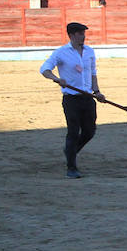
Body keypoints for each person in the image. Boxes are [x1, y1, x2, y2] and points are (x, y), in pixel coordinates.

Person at [39, 22, 106, 178]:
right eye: (80, 33)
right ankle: (71, 167)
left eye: (84, 33)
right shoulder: (61, 53)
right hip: (71, 99)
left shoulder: (89, 51)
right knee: (73, 132)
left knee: (90, 131)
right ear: (71, 35)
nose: (83, 36)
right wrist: (57, 79)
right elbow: (44, 69)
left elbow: (93, 73)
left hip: (88, 98)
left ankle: (71, 151)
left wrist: (97, 91)